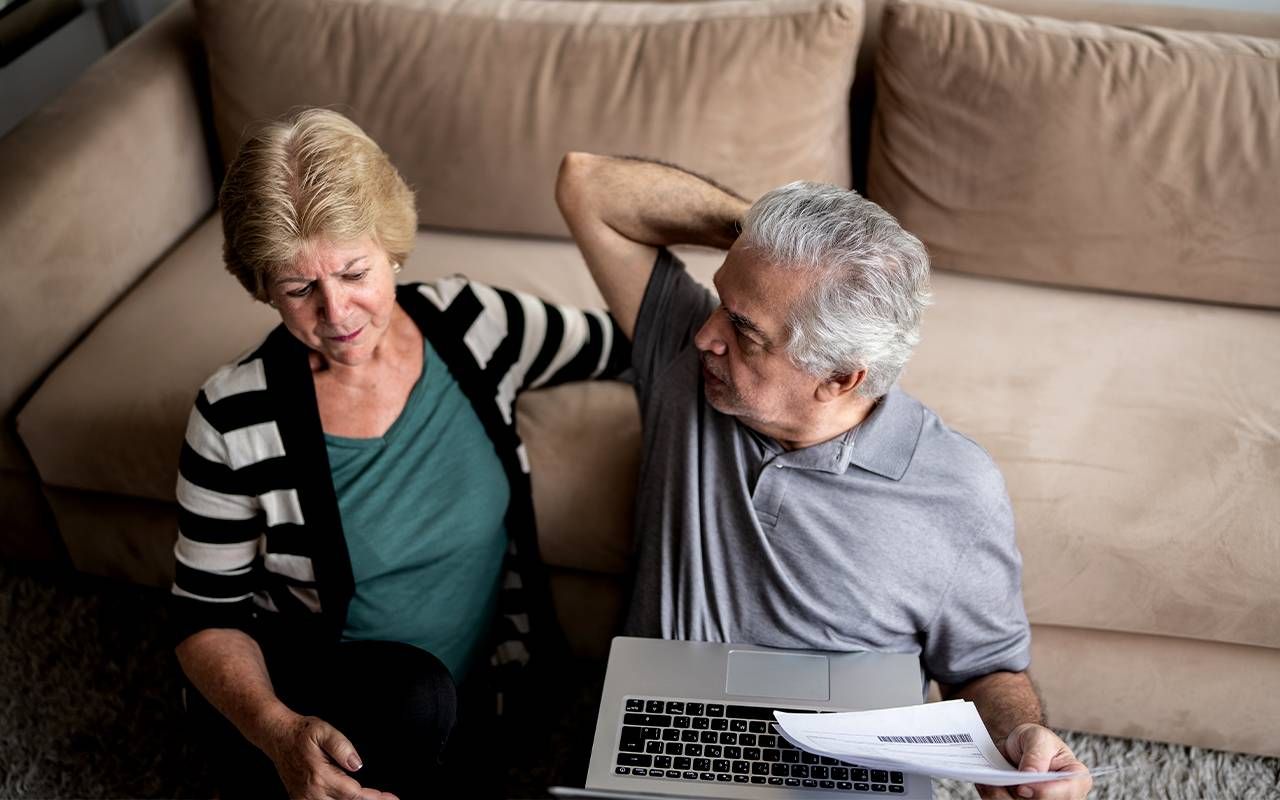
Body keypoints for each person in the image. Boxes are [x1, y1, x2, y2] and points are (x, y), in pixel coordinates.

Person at [555, 152, 1093, 800]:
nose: (705, 335)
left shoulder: (956, 490)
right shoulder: (686, 368)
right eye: (721, 303)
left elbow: (986, 668)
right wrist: (775, 238)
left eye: (744, 331)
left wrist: (1021, 737)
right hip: (670, 730)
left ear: (839, 377)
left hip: (838, 766)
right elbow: (586, 184)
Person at [170, 110, 627, 800]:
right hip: (326, 702)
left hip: (472, 688)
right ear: (263, 286)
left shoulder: (472, 325)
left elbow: (626, 341)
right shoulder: (233, 414)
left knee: (439, 707)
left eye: (355, 272)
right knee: (413, 699)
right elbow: (204, 616)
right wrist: (276, 729)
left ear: (392, 247)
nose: (337, 313)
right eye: (298, 288)